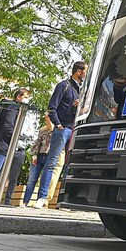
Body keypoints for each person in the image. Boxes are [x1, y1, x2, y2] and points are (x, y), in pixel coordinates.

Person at [33, 61, 86, 208]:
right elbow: (52, 107)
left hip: (74, 129)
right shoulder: (64, 86)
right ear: (79, 71)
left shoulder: (82, 90)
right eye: (85, 71)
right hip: (63, 129)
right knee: (52, 163)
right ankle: (42, 198)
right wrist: (58, 125)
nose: (86, 74)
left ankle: (61, 200)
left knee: (67, 165)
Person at [22, 114, 53, 206]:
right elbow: (37, 143)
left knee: (45, 179)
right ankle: (25, 201)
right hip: (40, 155)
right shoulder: (43, 130)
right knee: (32, 179)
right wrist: (34, 156)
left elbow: (52, 128)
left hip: (49, 156)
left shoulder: (57, 130)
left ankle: (40, 199)